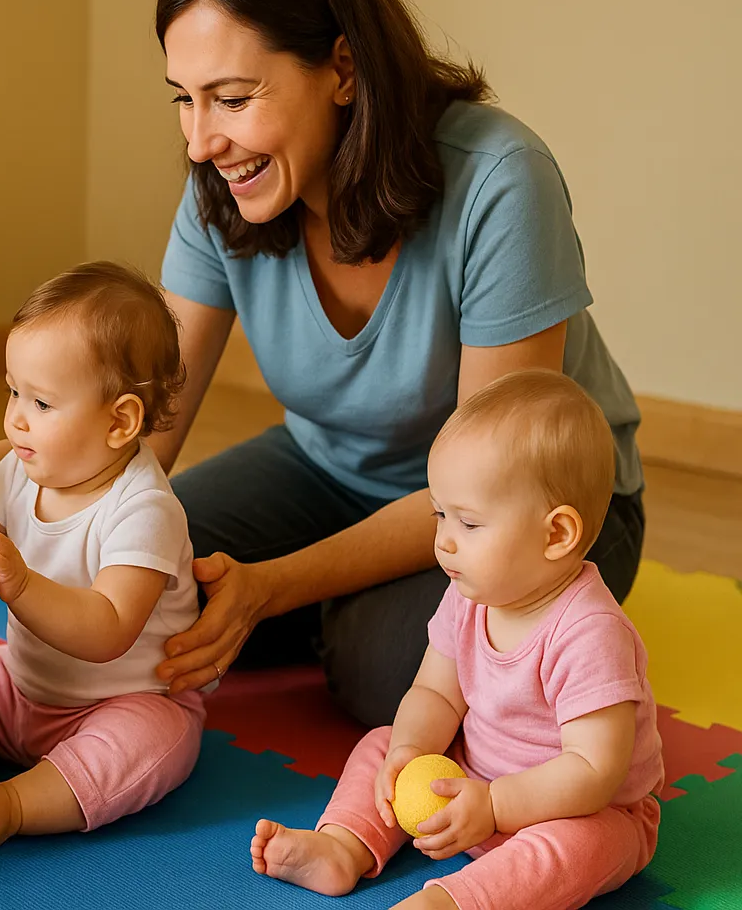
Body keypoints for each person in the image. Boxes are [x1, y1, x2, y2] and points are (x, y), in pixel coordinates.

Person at [0, 0, 644, 728]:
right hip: (327, 469)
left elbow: (502, 477)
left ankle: (545, 633)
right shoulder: (226, 186)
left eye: (231, 97)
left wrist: (273, 587)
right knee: (135, 571)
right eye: (183, 98)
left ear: (342, 67)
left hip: (531, 510)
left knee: (380, 672)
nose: (199, 142)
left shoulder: (499, 179)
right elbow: (135, 425)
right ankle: (341, 612)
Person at [250, 370, 663, 910]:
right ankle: (341, 846)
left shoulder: (591, 633)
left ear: (556, 534)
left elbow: (593, 772)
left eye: (468, 524)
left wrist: (494, 805)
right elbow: (437, 694)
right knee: (382, 745)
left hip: (577, 806)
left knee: (577, 846)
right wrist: (411, 749)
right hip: (472, 775)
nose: (442, 540)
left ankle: (454, 902)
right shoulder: (470, 596)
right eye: (440, 514)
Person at [0, 262, 206, 847]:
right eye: (13, 392)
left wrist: (22, 585)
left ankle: (21, 803)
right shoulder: (21, 471)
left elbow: (108, 630)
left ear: (120, 421)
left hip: (119, 704)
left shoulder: (145, 508)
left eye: (43, 403)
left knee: (151, 742)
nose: (16, 419)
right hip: (21, 690)